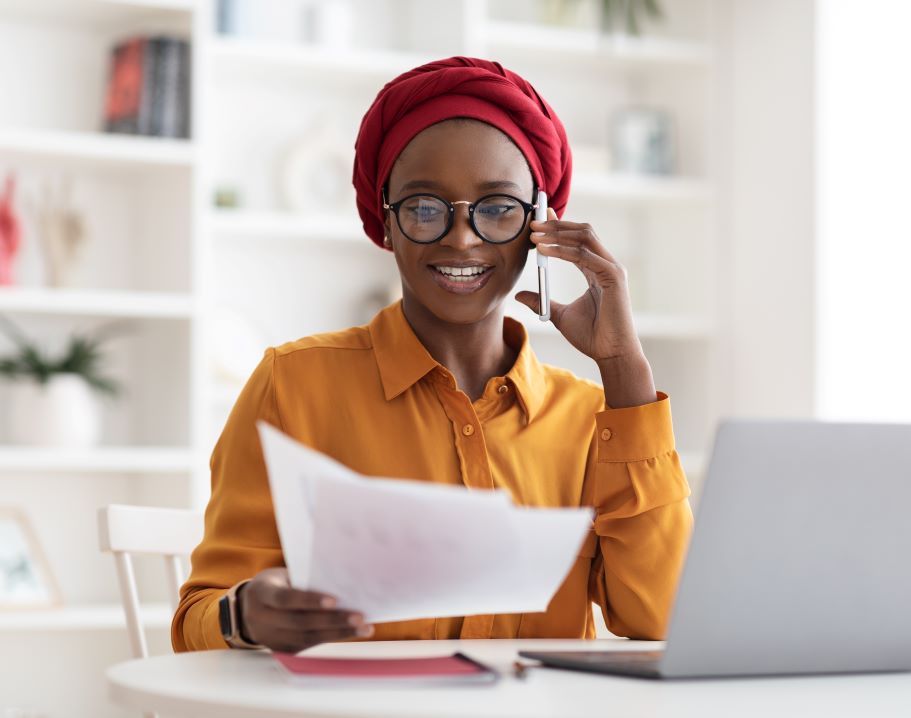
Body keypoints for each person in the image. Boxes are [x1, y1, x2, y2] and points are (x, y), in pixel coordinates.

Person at [172, 57, 692, 654]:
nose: (462, 238)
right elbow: (196, 626)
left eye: (498, 207)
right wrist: (245, 615)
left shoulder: (588, 421)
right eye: (423, 207)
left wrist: (625, 369)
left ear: (541, 225)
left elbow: (664, 621)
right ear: (385, 223)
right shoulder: (291, 385)